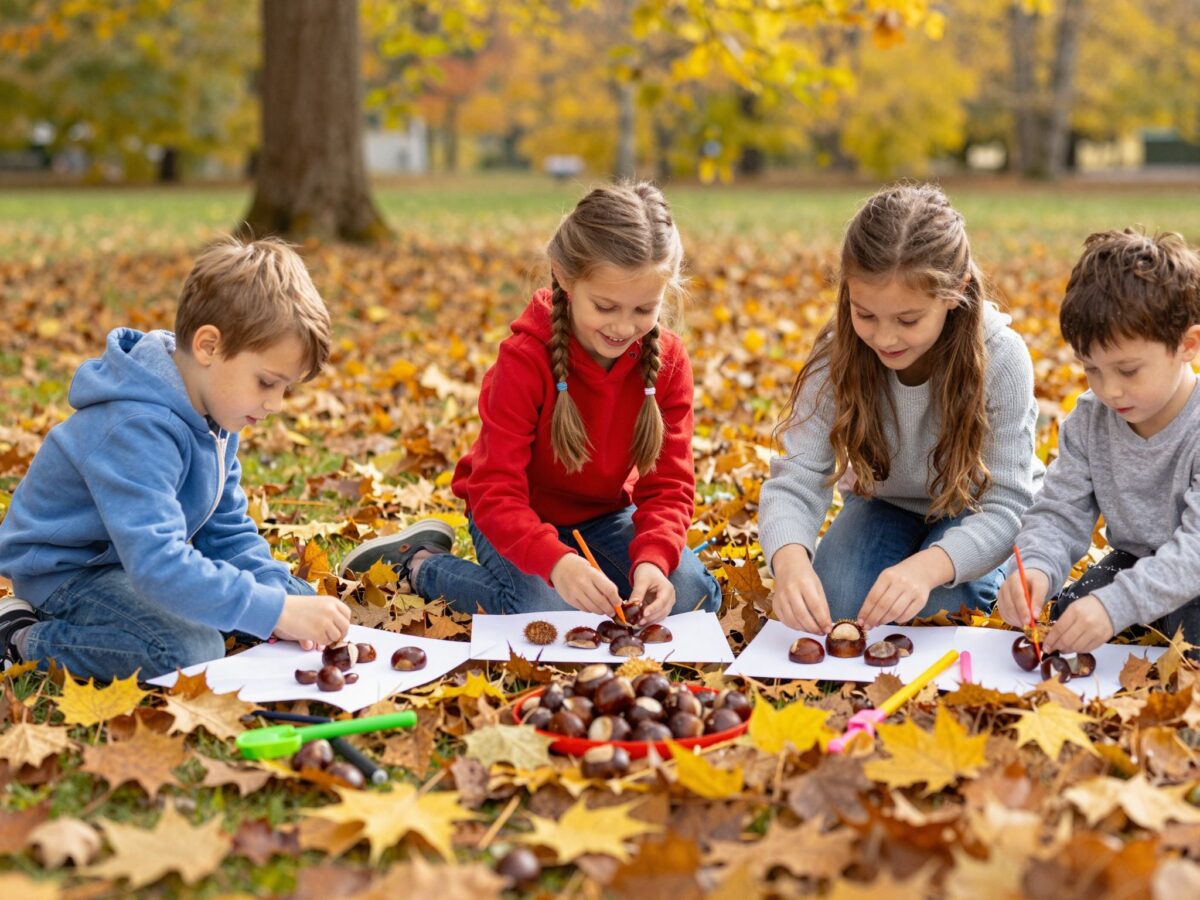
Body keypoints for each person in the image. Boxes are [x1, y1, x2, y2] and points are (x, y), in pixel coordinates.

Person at [340, 182, 720, 623]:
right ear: (563, 275)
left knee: (691, 596)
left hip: (605, 515)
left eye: (643, 310)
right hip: (511, 514)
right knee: (546, 610)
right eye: (605, 306)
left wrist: (653, 561)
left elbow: (668, 486)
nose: (622, 326)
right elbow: (495, 492)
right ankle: (420, 563)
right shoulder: (524, 360)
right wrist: (557, 564)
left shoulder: (668, 361)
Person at [0, 237, 349, 680]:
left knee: (292, 593)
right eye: (266, 382)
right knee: (191, 648)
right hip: (68, 574)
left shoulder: (216, 408)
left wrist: (282, 596)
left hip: (130, 564)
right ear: (208, 347)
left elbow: (226, 534)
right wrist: (275, 611)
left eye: (286, 389)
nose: (276, 403)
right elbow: (158, 563)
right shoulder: (135, 426)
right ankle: (23, 638)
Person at [760, 183, 1042, 635]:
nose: (885, 338)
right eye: (865, 314)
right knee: (839, 600)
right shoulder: (838, 353)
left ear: (955, 292)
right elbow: (797, 478)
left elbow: (1006, 504)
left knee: (939, 608)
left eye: (908, 320)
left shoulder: (1002, 357)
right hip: (886, 503)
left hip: (975, 506)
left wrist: (929, 568)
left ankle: (1014, 569)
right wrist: (790, 562)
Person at [997, 230, 1200, 655]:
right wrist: (1036, 567)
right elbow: (1060, 512)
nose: (1110, 391)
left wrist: (1115, 607)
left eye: (1128, 371)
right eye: (1092, 369)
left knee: (1190, 627)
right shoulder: (1090, 420)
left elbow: (1194, 552)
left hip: (1193, 564)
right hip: (1135, 562)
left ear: (1188, 345)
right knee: (1069, 612)